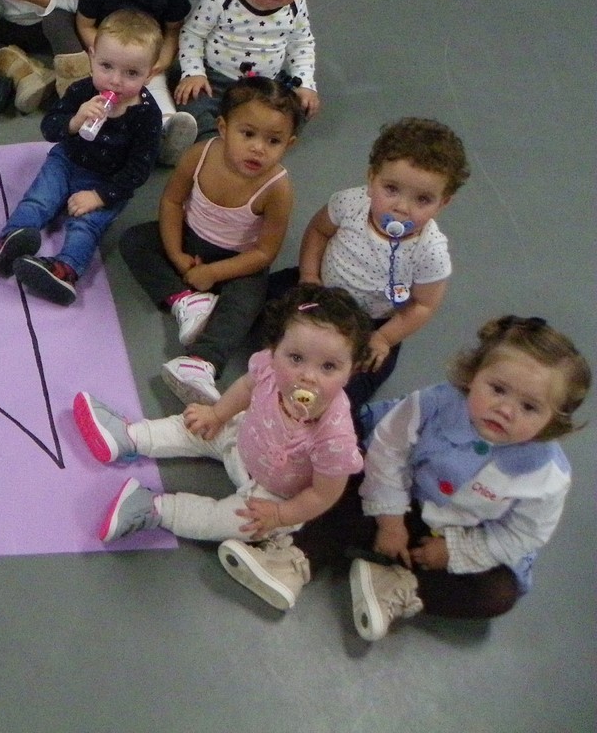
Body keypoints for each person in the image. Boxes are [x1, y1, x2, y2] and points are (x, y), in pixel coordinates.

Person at [280, 316, 588, 637]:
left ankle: (398, 584)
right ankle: (298, 555)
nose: (506, 410)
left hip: (462, 534)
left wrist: (454, 551)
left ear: (553, 421)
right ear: (473, 374)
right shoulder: (438, 403)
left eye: (529, 407)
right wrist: (390, 519)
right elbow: (388, 448)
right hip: (401, 496)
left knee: (498, 594)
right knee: (343, 480)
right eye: (497, 389)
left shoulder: (546, 475)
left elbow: (522, 534)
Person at [73, 285, 370, 611]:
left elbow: (323, 495)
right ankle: (130, 436)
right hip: (243, 439)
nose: (308, 377)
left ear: (351, 370)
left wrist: (279, 515)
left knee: (227, 523)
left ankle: (155, 508)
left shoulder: (335, 438)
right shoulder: (269, 369)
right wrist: (217, 414)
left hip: (272, 497)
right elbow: (246, 387)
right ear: (274, 350)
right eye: (296, 358)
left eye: (329, 367)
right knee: (195, 427)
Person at [120, 79, 305, 407]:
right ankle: (185, 301)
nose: (258, 148)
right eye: (247, 134)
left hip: (238, 261)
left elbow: (264, 252)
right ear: (223, 128)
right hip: (190, 240)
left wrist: (214, 273)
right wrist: (177, 255)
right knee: (135, 240)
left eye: (273, 141)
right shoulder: (200, 155)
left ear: (289, 144)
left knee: (248, 300)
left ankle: (201, 362)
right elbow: (172, 202)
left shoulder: (278, 188)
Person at [284, 116, 468, 411]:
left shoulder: (430, 252)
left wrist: (384, 337)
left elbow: (424, 305)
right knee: (264, 301)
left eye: (423, 199)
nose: (402, 207)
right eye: (391, 189)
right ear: (371, 179)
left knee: (357, 380)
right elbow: (319, 230)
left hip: (372, 323)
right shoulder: (351, 204)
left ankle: (324, 412)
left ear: (443, 203)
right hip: (320, 291)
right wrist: (308, 274)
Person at [0, 8, 164, 306]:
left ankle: (64, 271)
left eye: (132, 73)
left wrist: (100, 196)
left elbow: (138, 170)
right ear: (92, 57)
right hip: (67, 161)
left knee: (86, 224)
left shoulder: (147, 115)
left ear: (150, 73)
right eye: (106, 66)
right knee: (39, 200)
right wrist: (74, 120)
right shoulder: (82, 91)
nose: (115, 81)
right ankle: (12, 240)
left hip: (107, 180)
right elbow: (49, 128)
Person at [174, 0, 320, 140]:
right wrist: (194, 73)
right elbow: (192, 34)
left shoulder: (296, 4)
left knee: (298, 110)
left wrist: (306, 84)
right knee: (192, 101)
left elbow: (301, 44)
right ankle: (212, 141)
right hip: (216, 80)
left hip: (266, 85)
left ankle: (254, 135)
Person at [75, 0, 196, 164]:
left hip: (144, 61)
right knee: (95, 93)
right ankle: (102, 132)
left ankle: (165, 133)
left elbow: (173, 30)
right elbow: (85, 24)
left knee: (155, 91)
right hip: (104, 57)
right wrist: (103, 55)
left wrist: (162, 61)